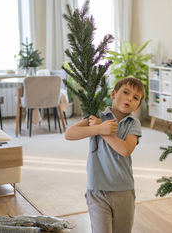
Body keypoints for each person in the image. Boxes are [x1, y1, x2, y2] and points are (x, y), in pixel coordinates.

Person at [65, 77, 145, 233]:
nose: (129, 98)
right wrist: (98, 128)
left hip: (124, 191)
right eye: (126, 92)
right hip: (97, 190)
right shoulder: (97, 116)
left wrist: (103, 131)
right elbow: (69, 134)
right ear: (114, 94)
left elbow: (125, 150)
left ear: (137, 106)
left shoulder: (133, 123)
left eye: (135, 98)